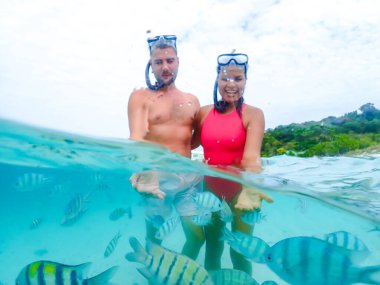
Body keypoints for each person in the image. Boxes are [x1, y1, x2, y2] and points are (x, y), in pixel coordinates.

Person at [191, 52, 273, 274]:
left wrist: (251, 187)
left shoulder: (254, 114)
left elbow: (251, 158)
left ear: (246, 81)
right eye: (225, 78)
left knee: (240, 250)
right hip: (211, 191)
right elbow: (186, 144)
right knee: (213, 247)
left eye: (238, 79)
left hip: (241, 193)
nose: (231, 84)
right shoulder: (204, 113)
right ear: (217, 79)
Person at [127, 35, 204, 259]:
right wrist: (146, 170)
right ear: (151, 64)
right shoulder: (140, 97)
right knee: (155, 241)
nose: (165, 67)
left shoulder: (192, 100)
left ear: (178, 61)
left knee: (197, 237)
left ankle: (179, 276)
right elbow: (137, 137)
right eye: (159, 62)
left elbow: (195, 140)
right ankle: (156, 274)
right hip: (156, 180)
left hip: (187, 179)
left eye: (170, 60)